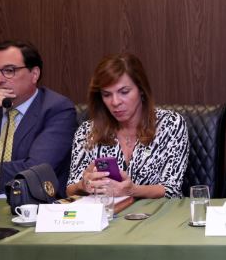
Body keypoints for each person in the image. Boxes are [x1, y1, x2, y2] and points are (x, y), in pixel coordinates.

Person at [67, 54, 189, 199]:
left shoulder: (170, 124)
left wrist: (133, 190)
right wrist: (83, 185)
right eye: (107, 94)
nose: (115, 102)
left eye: (124, 92)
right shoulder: (88, 131)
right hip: (108, 217)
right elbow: (70, 190)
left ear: (141, 89)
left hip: (157, 215)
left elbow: (172, 189)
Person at [0, 40, 76, 197]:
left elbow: (37, 169)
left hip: (26, 205)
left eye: (9, 70)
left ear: (34, 74)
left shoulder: (56, 109)